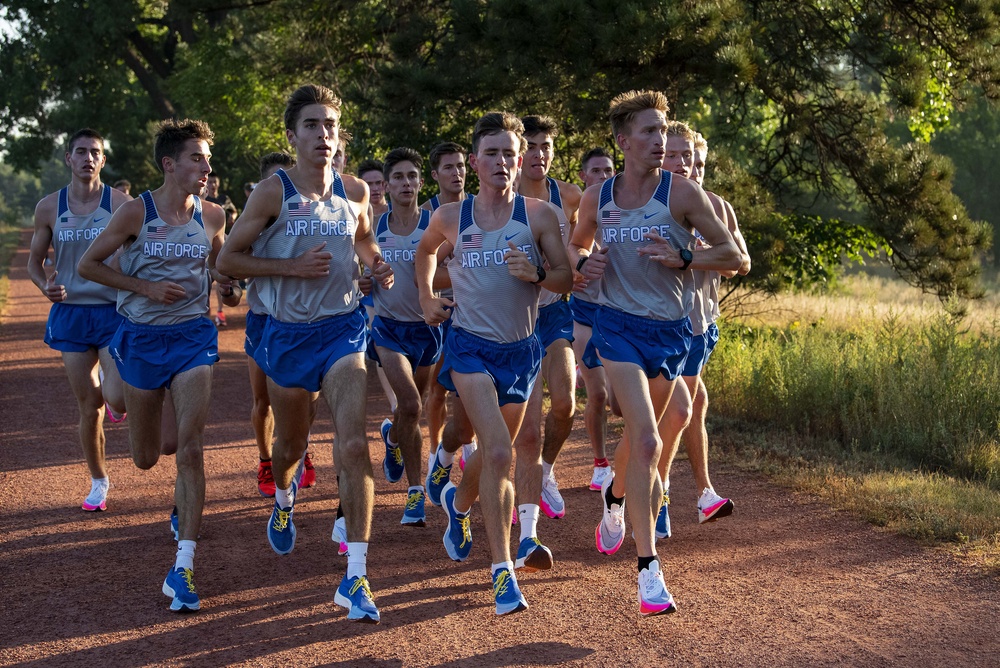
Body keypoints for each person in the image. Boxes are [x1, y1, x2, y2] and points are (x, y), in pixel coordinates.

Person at [217, 84, 392, 624]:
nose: (324, 134)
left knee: (353, 446)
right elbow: (228, 259)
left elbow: (365, 241)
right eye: (313, 125)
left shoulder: (355, 191)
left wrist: (376, 267)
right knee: (290, 445)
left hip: (342, 331)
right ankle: (285, 496)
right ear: (292, 136)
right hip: (287, 334)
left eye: (332, 125)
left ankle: (356, 577)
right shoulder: (272, 193)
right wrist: (291, 269)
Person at [568, 90, 741, 616]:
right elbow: (577, 244)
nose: (659, 140)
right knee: (644, 439)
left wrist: (686, 255)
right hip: (617, 328)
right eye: (648, 131)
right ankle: (648, 570)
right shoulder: (600, 197)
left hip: (671, 334)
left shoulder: (683, 193)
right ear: (623, 141)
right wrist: (582, 265)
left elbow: (734, 256)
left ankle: (616, 500)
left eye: (662, 132)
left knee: (641, 443)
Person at [78, 118, 240, 612]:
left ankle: (183, 567)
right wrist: (145, 287)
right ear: (170, 164)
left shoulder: (213, 216)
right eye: (197, 158)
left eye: (208, 159)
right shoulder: (134, 213)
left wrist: (229, 288)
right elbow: (89, 265)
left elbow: (221, 269)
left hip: (193, 337)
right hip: (141, 337)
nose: (207, 167)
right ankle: (120, 394)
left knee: (189, 449)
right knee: (151, 454)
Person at [415, 111, 573, 615]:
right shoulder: (451, 217)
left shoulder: (539, 216)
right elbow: (424, 253)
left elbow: (567, 278)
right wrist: (424, 297)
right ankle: (503, 572)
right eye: (492, 153)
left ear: (521, 158)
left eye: (511, 152)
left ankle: (458, 506)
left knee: (492, 454)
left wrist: (539, 272)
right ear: (476, 160)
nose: (503, 161)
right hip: (470, 348)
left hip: (522, 352)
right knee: (502, 453)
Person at [652, 126, 750, 538]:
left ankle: (681, 492)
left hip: (701, 328)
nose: (684, 164)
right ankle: (663, 494)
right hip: (662, 327)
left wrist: (690, 257)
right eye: (673, 155)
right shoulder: (650, 205)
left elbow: (739, 263)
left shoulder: (718, 208)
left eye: (691, 157)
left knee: (687, 410)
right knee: (677, 413)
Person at [27, 128, 131, 513]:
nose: (88, 158)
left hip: (112, 312)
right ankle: (99, 481)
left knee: (117, 397)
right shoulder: (48, 207)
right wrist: (44, 286)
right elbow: (35, 263)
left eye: (96, 152)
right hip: (69, 313)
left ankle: (114, 385)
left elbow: (136, 255)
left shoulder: (122, 204)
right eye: (81, 152)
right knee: (90, 407)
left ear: (103, 160)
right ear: (68, 159)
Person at [370, 147, 444, 527]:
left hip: (428, 330)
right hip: (388, 327)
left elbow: (452, 270)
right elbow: (357, 272)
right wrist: (368, 276)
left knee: (411, 408)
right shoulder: (374, 225)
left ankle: (393, 438)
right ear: (386, 185)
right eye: (398, 177)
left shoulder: (435, 223)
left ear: (421, 182)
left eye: (412, 176)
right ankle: (415, 494)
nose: (406, 183)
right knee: (413, 406)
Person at [514, 115, 582, 522]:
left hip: (554, 311)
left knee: (565, 405)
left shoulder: (570, 197)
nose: (539, 154)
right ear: (520, 154)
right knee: (526, 428)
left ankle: (547, 471)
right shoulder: (502, 198)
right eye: (532, 147)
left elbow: (576, 248)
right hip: (514, 318)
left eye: (546, 147)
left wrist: (581, 265)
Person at [419, 142, 472, 461]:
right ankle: (434, 450)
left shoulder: (482, 208)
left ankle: (466, 447)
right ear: (435, 174)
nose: (457, 172)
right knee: (438, 390)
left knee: (471, 389)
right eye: (449, 167)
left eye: (462, 165)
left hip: (477, 310)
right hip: (441, 309)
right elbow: (423, 270)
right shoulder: (427, 213)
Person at [570, 147, 616, 492]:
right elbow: (566, 255)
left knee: (618, 400)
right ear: (584, 176)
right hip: (584, 313)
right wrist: (578, 268)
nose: (603, 176)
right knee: (598, 394)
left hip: (618, 313)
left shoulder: (625, 210)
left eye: (608, 170)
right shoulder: (579, 216)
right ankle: (600, 465)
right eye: (596, 171)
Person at [203, 173, 239, 327]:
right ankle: (205, 312)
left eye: (214, 182)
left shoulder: (224, 199)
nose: (212, 185)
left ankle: (219, 310)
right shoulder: (204, 202)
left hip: (220, 239)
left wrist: (232, 217)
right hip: (203, 243)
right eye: (209, 182)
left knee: (222, 276)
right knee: (203, 279)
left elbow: (233, 210)